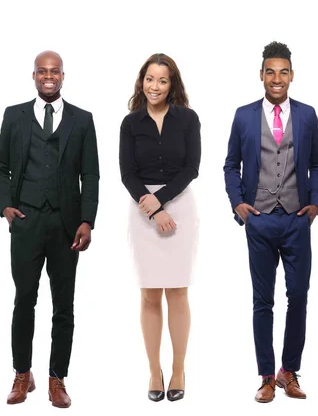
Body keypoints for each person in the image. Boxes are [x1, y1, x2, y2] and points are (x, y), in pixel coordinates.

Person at [0, 50, 99, 408]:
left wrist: (87, 220)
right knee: (24, 300)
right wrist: (6, 206)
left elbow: (90, 175)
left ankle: (57, 378)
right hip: (26, 221)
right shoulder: (15, 116)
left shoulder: (82, 120)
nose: (48, 77)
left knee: (63, 306)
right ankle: (23, 374)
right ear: (33, 75)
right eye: (42, 71)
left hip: (67, 225)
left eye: (54, 72)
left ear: (63, 76)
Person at [223, 41, 318, 403]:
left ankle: (290, 371)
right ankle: (267, 376)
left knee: (298, 296)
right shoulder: (244, 115)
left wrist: (314, 204)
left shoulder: (308, 114)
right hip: (260, 220)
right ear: (261, 75)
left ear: (292, 76)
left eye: (283, 72)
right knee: (262, 300)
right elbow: (230, 165)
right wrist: (239, 204)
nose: (277, 78)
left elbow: (317, 164)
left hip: (297, 220)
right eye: (270, 72)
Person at [119, 53, 201, 402]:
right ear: (142, 82)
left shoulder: (187, 119)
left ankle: (179, 368)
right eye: (150, 79)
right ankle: (155, 370)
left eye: (162, 80)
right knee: (150, 292)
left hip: (179, 203)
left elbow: (191, 167)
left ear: (172, 85)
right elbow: (127, 173)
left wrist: (163, 201)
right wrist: (152, 210)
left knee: (178, 291)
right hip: (142, 207)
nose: (155, 86)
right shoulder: (130, 122)